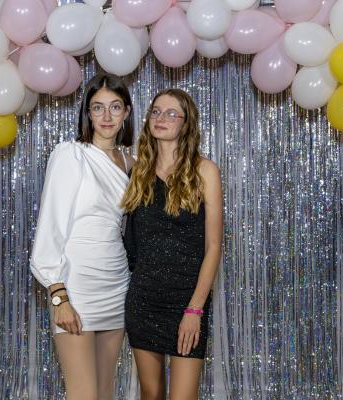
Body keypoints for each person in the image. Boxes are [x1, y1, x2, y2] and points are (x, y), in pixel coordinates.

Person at [30, 72, 135, 400]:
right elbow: (50, 226)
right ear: (87, 113)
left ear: (127, 112)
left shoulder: (131, 162)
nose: (106, 116)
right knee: (83, 394)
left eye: (115, 107)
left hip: (116, 285)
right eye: (98, 107)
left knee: (104, 392)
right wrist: (59, 297)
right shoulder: (71, 154)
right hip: (76, 288)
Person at [121, 88, 223, 399]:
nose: (160, 118)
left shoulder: (205, 171)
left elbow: (213, 247)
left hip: (187, 300)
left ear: (186, 123)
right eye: (155, 112)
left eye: (170, 113)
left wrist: (194, 309)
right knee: (151, 394)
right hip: (143, 300)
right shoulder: (137, 172)